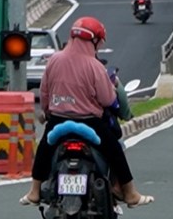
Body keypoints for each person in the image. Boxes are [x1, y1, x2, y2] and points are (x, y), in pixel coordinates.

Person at [19, 17, 153, 208]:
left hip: (58, 121)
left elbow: (45, 93)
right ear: (95, 41)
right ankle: (130, 193)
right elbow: (107, 100)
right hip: (90, 123)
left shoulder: (54, 60)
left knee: (44, 149)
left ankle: (34, 191)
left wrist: (48, 111)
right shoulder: (95, 66)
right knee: (115, 150)